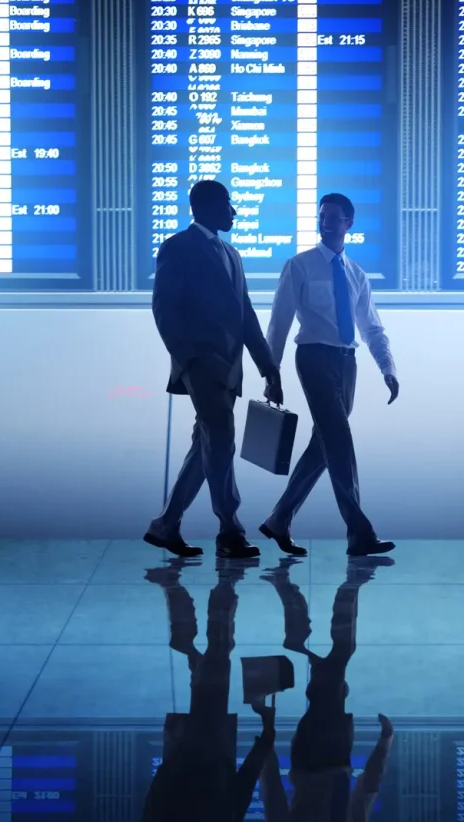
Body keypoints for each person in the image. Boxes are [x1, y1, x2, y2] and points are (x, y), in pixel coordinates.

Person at [146, 179, 282, 560]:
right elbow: (164, 308)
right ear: (204, 206)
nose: (233, 211)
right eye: (227, 203)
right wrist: (188, 359)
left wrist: (267, 365)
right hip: (201, 365)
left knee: (205, 446)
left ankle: (165, 525)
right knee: (221, 440)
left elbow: (246, 314)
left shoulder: (232, 254)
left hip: (229, 367)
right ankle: (230, 530)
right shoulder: (177, 247)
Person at [261, 192, 398, 558]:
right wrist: (269, 373)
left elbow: (372, 328)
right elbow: (279, 322)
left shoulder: (356, 274)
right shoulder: (299, 265)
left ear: (348, 224)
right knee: (338, 439)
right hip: (313, 358)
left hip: (346, 363)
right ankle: (359, 532)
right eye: (322, 216)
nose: (326, 223)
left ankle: (279, 519)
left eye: (334, 218)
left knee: (323, 445)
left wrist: (388, 368)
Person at [258, 557, 395, 821]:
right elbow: (272, 792)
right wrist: (266, 746)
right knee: (334, 665)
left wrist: (385, 741)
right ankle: (297, 588)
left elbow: (369, 787)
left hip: (328, 755)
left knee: (338, 659)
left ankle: (350, 582)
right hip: (317, 757)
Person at [142, 559, 277, 822]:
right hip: (190, 751)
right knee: (206, 659)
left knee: (212, 659)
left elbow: (246, 780)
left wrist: (268, 733)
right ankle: (197, 586)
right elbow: (155, 798)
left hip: (208, 749)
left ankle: (218, 584)